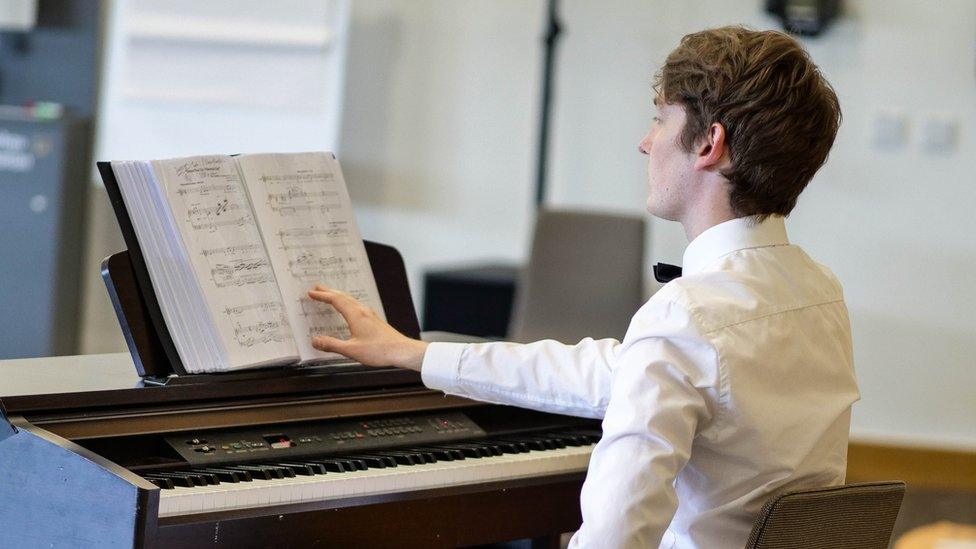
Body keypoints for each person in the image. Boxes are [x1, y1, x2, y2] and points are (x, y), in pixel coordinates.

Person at [307, 26, 859, 549]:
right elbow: (610, 372)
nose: (646, 143)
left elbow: (617, 531)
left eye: (661, 120)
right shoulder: (816, 289)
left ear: (708, 143)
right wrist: (412, 353)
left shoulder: (688, 315)